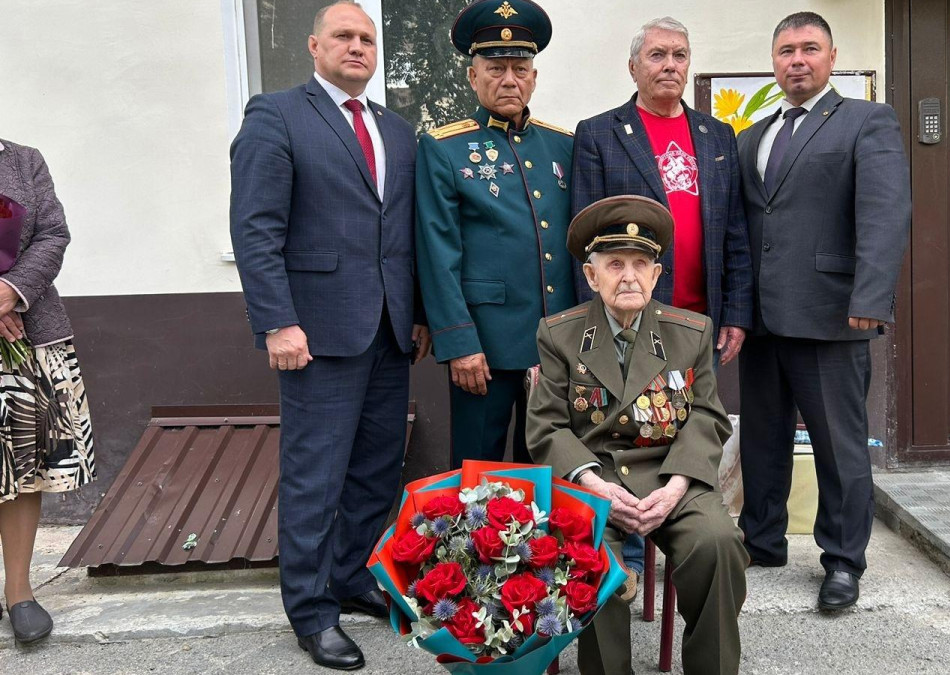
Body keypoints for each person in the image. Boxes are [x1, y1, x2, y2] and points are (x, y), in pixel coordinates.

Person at [229, 2, 429, 669]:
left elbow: (404, 232)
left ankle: (351, 576)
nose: (357, 46)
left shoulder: (397, 130)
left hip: (389, 332)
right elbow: (255, 228)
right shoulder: (276, 115)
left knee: (376, 469)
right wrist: (277, 321)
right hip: (314, 333)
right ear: (314, 46)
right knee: (315, 478)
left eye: (367, 38)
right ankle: (312, 612)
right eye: (343, 36)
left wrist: (417, 312)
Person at [569, 16, 753, 599]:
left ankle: (688, 544)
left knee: (688, 433)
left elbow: (734, 232)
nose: (669, 65)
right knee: (626, 438)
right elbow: (584, 240)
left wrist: (736, 312)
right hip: (625, 323)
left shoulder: (717, 135)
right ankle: (622, 559)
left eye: (679, 55)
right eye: (656, 55)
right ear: (633, 67)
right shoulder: (599, 133)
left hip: (697, 326)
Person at [527, 195, 748, 675]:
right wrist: (592, 484)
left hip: (672, 475)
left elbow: (707, 416)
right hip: (594, 480)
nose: (629, 276)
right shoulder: (560, 335)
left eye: (640, 264)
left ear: (656, 274)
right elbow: (546, 425)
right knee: (590, 557)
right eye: (615, 264)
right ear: (592, 276)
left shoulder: (690, 332)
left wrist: (677, 486)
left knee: (717, 543)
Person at [735, 12, 911, 611]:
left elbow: (885, 212)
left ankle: (841, 561)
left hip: (832, 315)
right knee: (762, 439)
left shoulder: (866, 120)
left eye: (810, 48)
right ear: (774, 62)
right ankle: (761, 540)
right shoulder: (752, 136)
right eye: (786, 50)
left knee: (839, 447)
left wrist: (871, 297)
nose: (797, 60)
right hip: (761, 320)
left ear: (832, 58)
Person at [416, 0, 575, 469]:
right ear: (473, 76)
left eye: (520, 69)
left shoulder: (563, 145)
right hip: (483, 347)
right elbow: (437, 251)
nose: (510, 80)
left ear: (534, 77)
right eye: (496, 68)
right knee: (477, 473)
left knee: (550, 470)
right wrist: (459, 342)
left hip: (557, 345)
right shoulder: (444, 148)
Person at [0, 138, 95, 644]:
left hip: (28, 332)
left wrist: (9, 292)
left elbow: (53, 234)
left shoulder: (23, 160)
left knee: (22, 466)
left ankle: (19, 591)